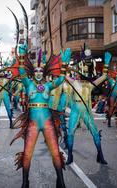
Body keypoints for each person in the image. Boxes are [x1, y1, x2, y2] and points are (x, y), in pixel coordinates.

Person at [11, 44, 69, 188]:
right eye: (36, 71)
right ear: (33, 73)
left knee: (56, 153)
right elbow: (21, 71)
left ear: (43, 73)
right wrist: (22, 56)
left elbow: (61, 80)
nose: (38, 73)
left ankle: (60, 182)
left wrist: (64, 64)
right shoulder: (28, 83)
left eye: (40, 71)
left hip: (48, 122)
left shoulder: (48, 86)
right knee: (27, 154)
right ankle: (25, 182)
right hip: (33, 124)